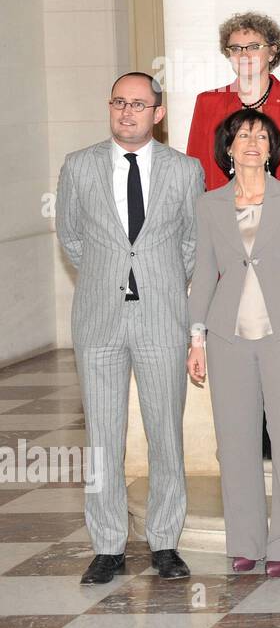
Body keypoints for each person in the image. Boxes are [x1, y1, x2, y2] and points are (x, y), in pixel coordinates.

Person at [56, 72, 204, 585]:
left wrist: (159, 280)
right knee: (102, 437)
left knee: (165, 433)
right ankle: (107, 545)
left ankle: (165, 542)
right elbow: (71, 238)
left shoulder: (186, 170)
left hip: (163, 317)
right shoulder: (78, 166)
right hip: (98, 320)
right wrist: (109, 276)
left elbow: (192, 241)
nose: (126, 112)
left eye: (138, 105)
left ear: (157, 114)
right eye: (119, 102)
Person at [186, 109, 280, 578]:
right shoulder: (209, 205)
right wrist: (197, 337)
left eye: (262, 136)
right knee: (236, 442)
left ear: (272, 148)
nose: (252, 142)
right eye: (243, 135)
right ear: (228, 146)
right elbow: (205, 273)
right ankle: (245, 541)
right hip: (227, 336)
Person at [187, 12, 280, 211]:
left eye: (254, 47)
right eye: (236, 48)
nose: (244, 54)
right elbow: (195, 173)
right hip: (224, 220)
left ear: (273, 52)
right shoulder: (208, 103)